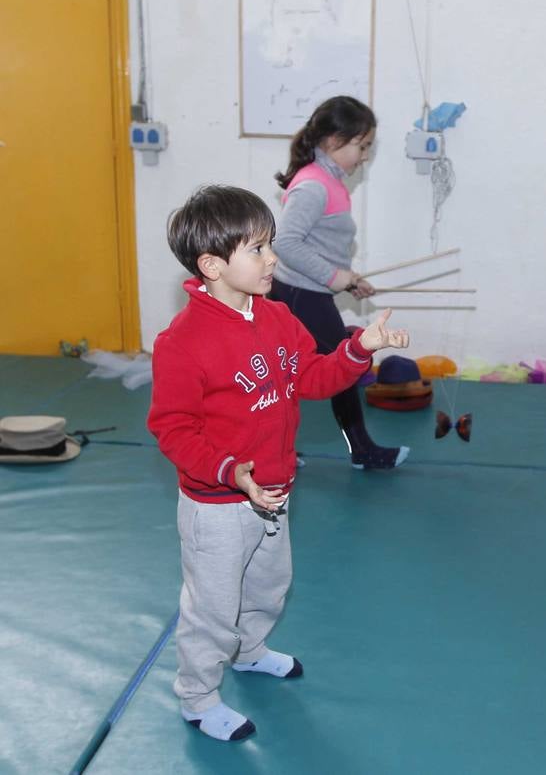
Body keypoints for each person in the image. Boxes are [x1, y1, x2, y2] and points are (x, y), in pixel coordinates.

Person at [148, 185, 410, 742]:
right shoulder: (183, 342)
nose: (273, 259)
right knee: (212, 607)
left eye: (270, 245)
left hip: (272, 492)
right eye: (259, 249)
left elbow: (311, 378)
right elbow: (172, 428)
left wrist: (360, 348)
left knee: (268, 585)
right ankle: (197, 696)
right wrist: (228, 471)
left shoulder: (277, 318)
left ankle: (249, 651)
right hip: (217, 504)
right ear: (213, 265)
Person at [271, 95, 409, 470]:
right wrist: (337, 277)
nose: (364, 156)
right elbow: (284, 243)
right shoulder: (313, 185)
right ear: (333, 141)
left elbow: (319, 246)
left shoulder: (330, 182)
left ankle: (274, 449)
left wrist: (348, 282)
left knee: (290, 374)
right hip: (300, 295)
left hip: (310, 292)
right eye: (361, 146)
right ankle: (362, 451)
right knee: (345, 369)